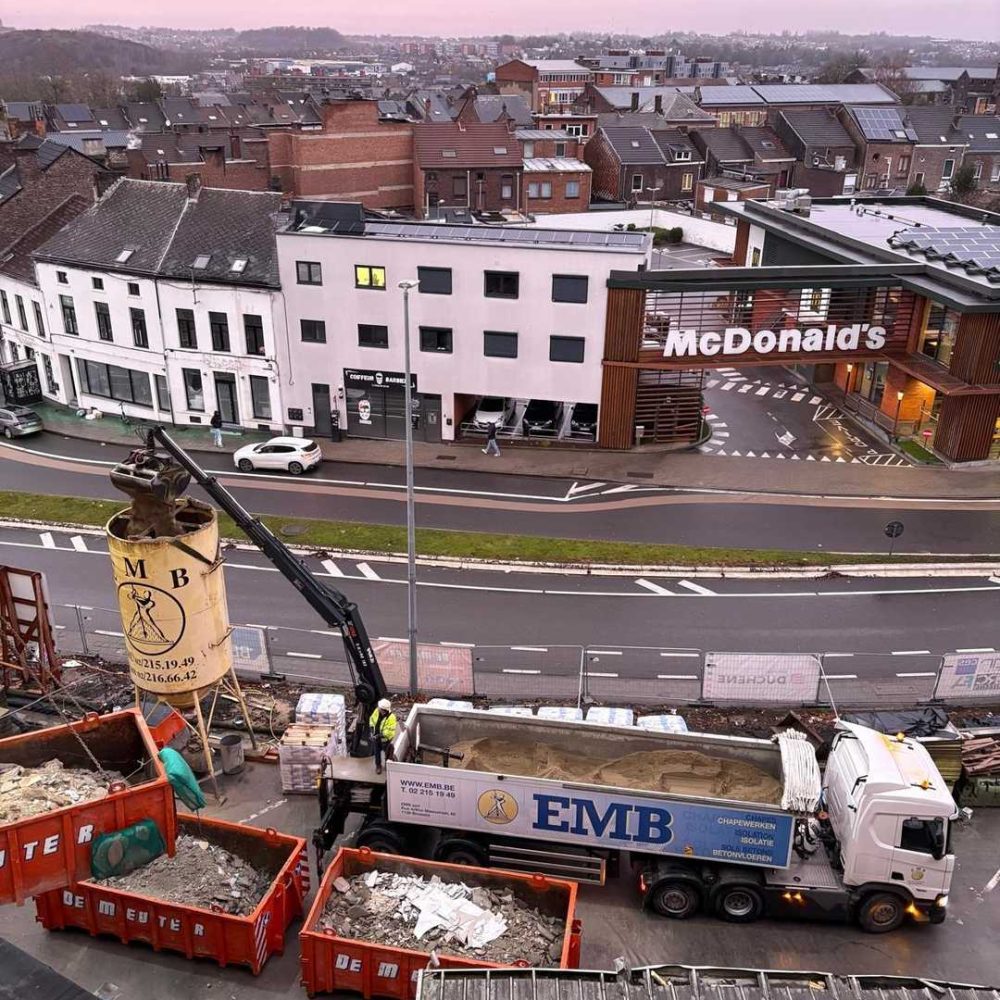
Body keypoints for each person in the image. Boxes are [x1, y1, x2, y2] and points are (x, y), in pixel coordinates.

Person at [369, 698, 398, 774]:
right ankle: (378, 766)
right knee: (377, 753)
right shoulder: (377, 711)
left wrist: (379, 735)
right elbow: (371, 720)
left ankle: (388, 766)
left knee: (388, 753)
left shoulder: (391, 718)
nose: (378, 709)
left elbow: (389, 732)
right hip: (377, 738)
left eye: (380, 708)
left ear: (384, 710)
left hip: (385, 740)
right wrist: (372, 730)